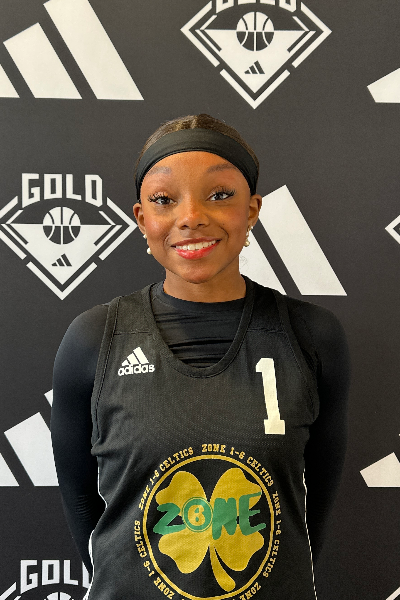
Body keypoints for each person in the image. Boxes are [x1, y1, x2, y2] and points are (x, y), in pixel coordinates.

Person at [51, 114, 350, 600]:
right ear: (141, 218)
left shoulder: (312, 336)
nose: (190, 216)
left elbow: (310, 514)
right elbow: (83, 507)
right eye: (164, 200)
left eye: (219, 194)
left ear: (251, 210)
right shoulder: (94, 339)